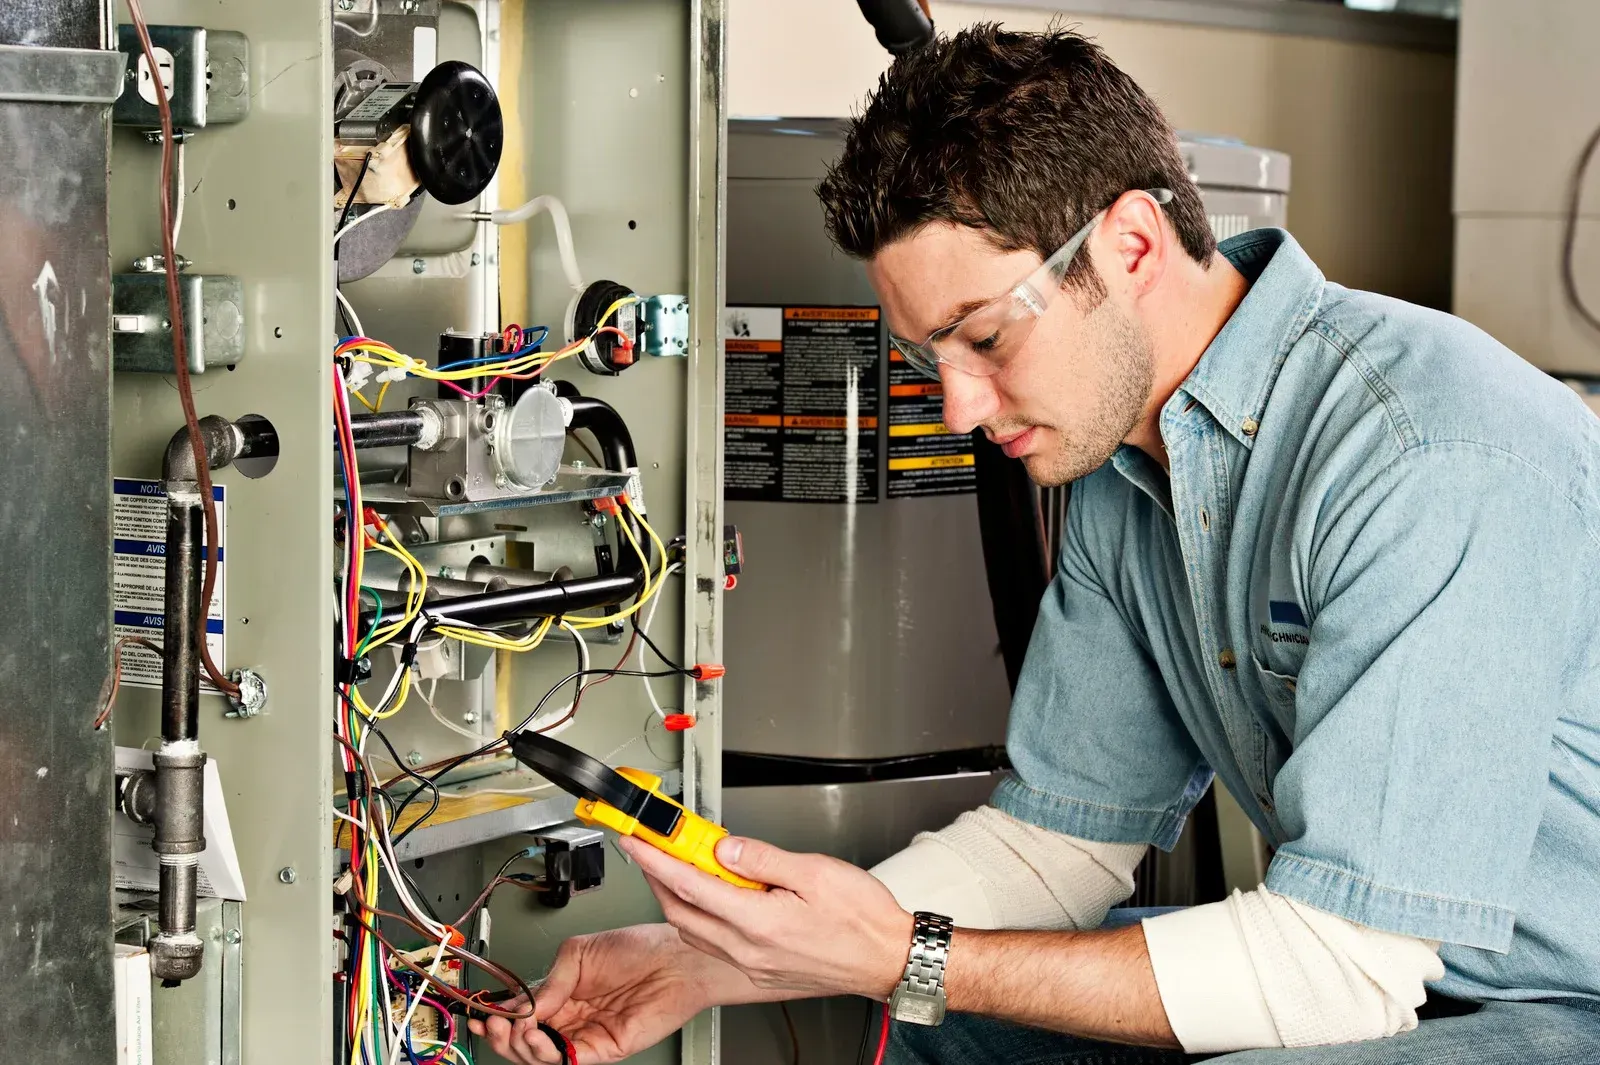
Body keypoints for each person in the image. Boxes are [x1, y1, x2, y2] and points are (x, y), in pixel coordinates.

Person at [471, 24, 1600, 1065]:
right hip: (1420, 976)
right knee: (933, 1027)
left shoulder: (1425, 456)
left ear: (1132, 243)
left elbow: (1344, 971)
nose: (957, 409)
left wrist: (898, 954)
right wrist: (713, 961)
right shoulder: (1127, 462)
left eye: (984, 337)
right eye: (928, 359)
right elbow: (1056, 847)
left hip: (1560, 1001)